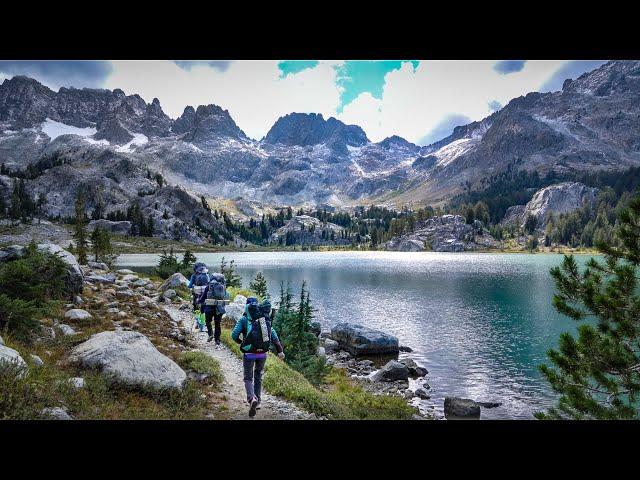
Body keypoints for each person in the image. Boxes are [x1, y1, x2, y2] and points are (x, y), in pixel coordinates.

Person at [231, 297, 285, 417]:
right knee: (258, 375)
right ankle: (259, 401)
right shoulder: (264, 320)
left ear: (247, 307)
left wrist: (241, 342)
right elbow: (274, 337)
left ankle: (252, 399)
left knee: (248, 377)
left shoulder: (244, 319)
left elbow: (234, 334)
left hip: (249, 353)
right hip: (262, 354)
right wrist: (280, 352)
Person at [197, 272, 229, 344]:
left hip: (209, 308)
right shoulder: (223, 287)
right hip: (219, 308)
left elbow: (203, 298)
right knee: (217, 323)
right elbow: (226, 297)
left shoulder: (209, 286)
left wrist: (198, 301)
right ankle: (217, 340)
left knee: (208, 321)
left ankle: (210, 334)